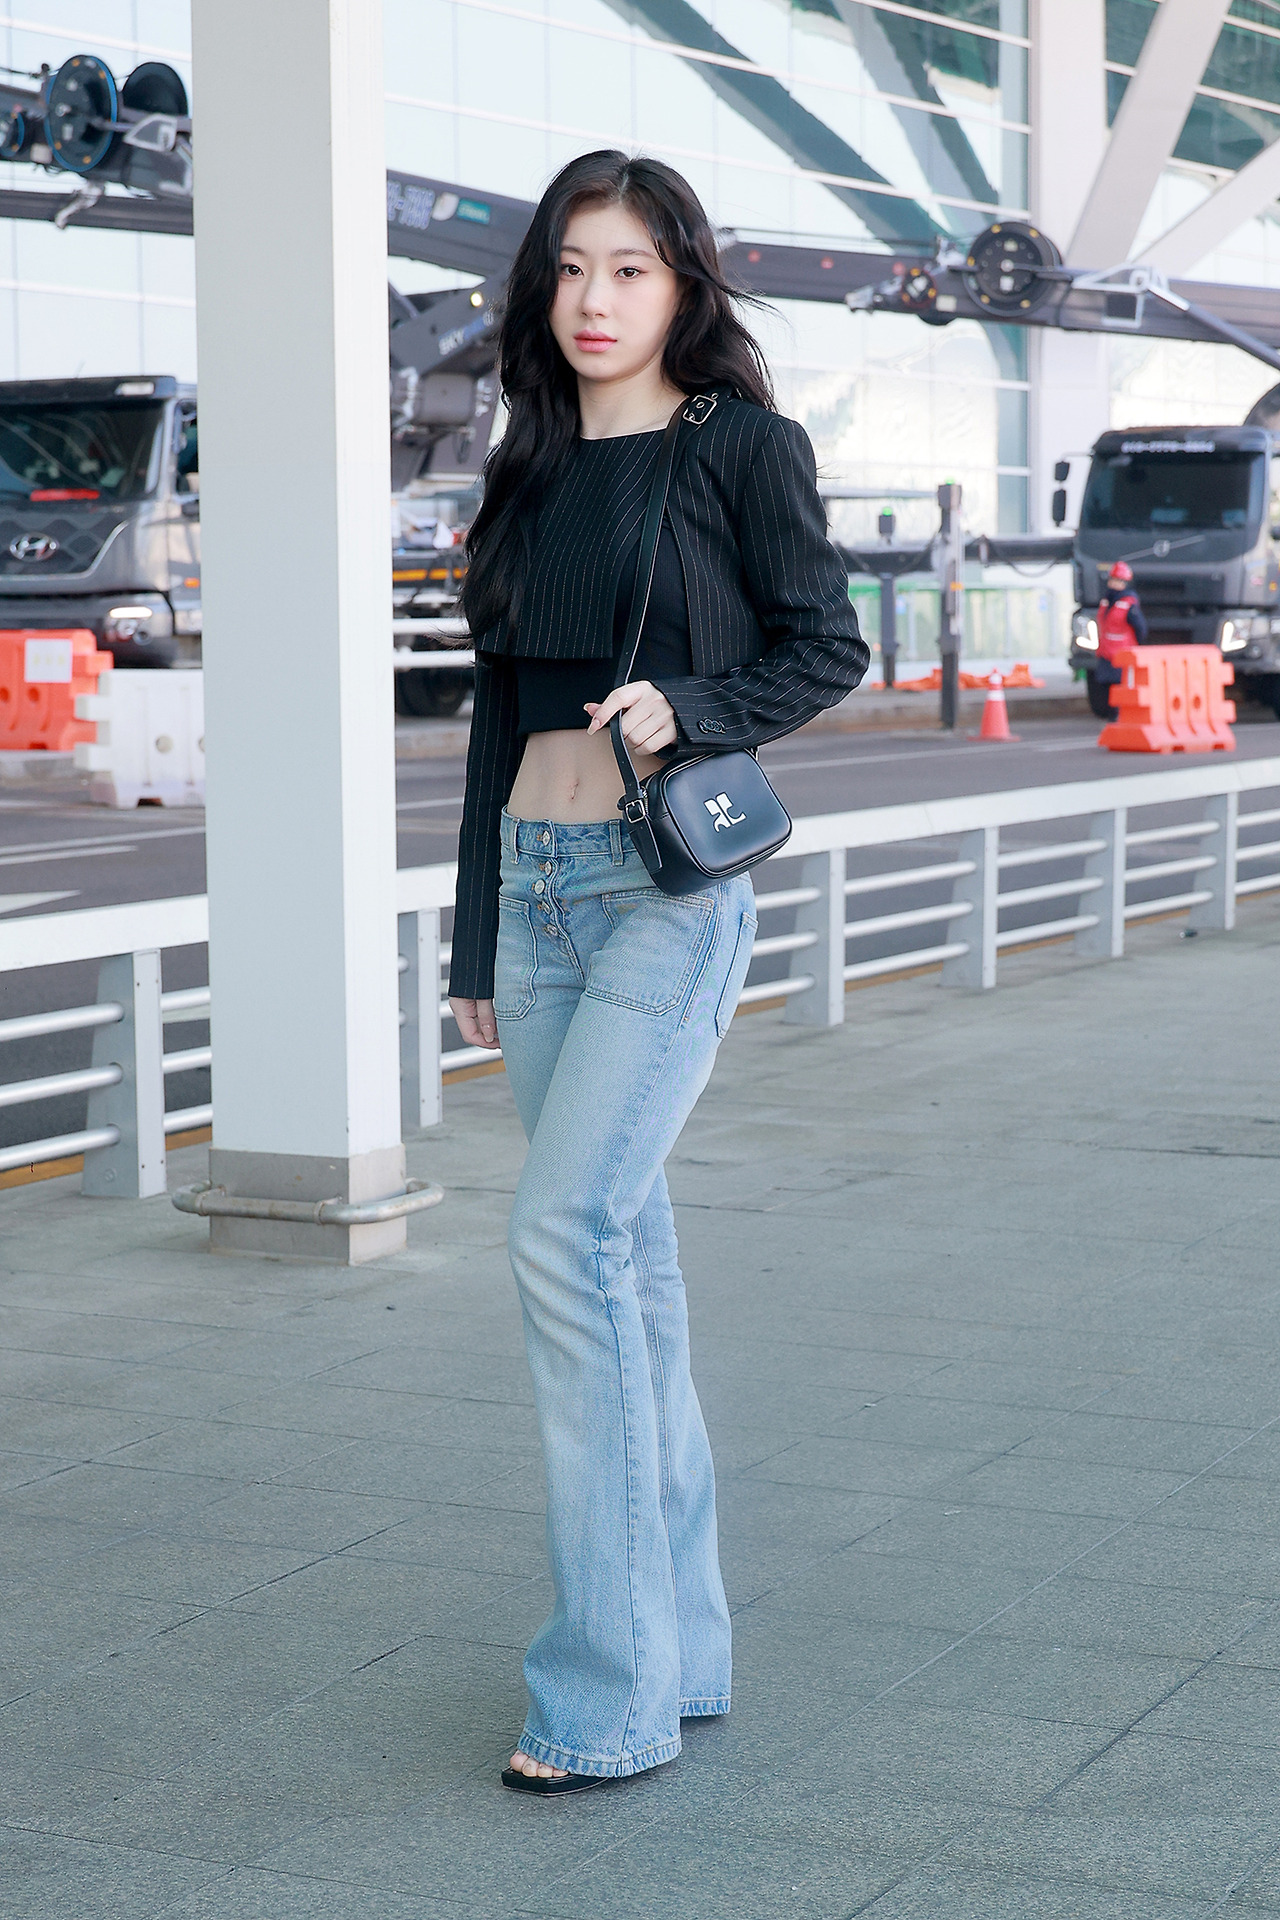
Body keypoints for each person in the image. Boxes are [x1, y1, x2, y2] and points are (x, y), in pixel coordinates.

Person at [448, 149, 869, 1796]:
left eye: (629, 268)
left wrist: (685, 706)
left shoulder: (740, 446)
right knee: (626, 1263)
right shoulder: (532, 458)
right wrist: (472, 934)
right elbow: (496, 719)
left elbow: (826, 646)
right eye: (570, 267)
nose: (595, 299)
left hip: (664, 892)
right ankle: (681, 1653)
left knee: (563, 1241)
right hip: (538, 894)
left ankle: (603, 1695)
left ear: (683, 284)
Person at [1089, 559, 1147, 717]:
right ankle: (1112, 715)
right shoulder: (1106, 602)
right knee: (1105, 687)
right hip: (1106, 653)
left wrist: (1134, 646)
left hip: (1121, 655)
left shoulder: (1129, 604)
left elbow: (1141, 629)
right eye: (1113, 580)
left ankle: (1120, 716)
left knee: (1121, 686)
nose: (1115, 584)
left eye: (1119, 581)